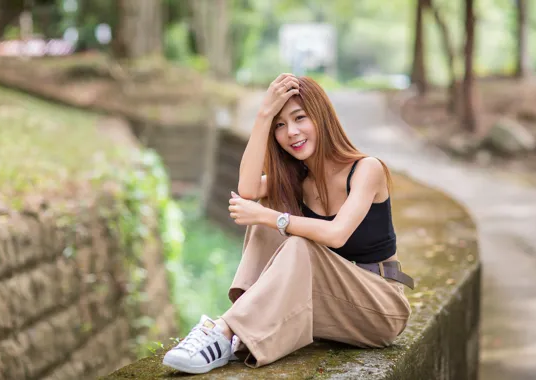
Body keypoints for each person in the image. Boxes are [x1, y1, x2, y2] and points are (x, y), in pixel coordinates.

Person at [162, 74, 414, 374]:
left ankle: (225, 329)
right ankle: (237, 328)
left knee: (288, 234)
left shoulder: (365, 169)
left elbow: (336, 234)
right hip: (332, 304)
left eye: (299, 118)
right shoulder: (298, 181)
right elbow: (248, 189)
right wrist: (263, 114)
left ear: (321, 118)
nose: (291, 132)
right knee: (269, 214)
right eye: (280, 126)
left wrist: (272, 218)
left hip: (380, 308)